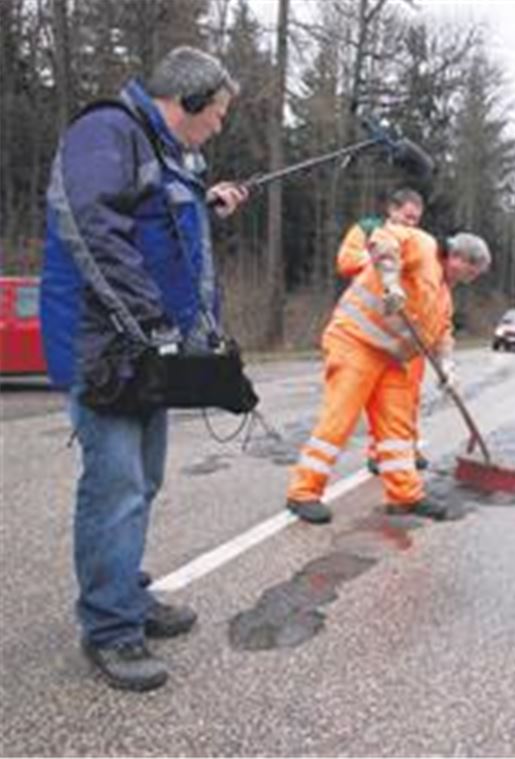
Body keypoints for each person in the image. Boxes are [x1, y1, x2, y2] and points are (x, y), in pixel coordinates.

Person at [39, 47, 249, 691]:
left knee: (144, 481)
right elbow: (91, 228)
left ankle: (124, 592)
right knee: (116, 488)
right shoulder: (107, 132)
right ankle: (109, 628)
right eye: (214, 114)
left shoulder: (162, 152)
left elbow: (154, 223)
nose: (216, 127)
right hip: (106, 348)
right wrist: (149, 323)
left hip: (147, 350)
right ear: (185, 102)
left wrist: (200, 204)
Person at [285, 228, 491, 524]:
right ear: (459, 257)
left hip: (392, 359)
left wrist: (447, 366)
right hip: (356, 342)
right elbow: (384, 239)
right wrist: (392, 282)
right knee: (339, 420)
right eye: (473, 271)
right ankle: (303, 492)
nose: (472, 280)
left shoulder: (444, 294)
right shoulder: (423, 245)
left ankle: (404, 495)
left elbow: (442, 333)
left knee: (397, 429)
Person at [334, 188, 431, 473]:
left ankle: (407, 446)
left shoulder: (418, 241)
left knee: (409, 393)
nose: (411, 223)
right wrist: (383, 258)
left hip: (407, 329)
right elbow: (346, 261)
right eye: (407, 216)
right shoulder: (366, 230)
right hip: (370, 326)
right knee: (372, 394)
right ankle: (378, 452)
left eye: (416, 219)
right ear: (392, 210)